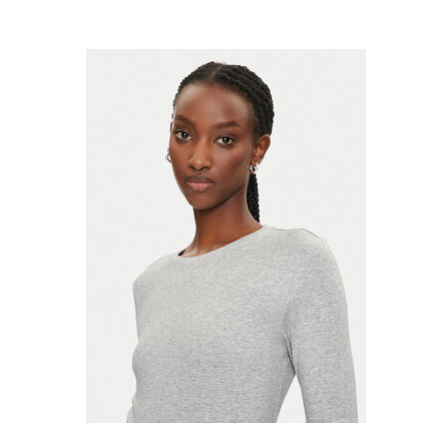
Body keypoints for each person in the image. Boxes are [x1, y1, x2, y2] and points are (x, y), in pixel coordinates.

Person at [126, 61, 358, 423]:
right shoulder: (152, 281)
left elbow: (336, 421)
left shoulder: (299, 261)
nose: (198, 159)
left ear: (258, 149)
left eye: (224, 140)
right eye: (184, 134)